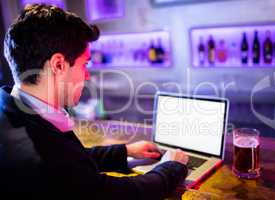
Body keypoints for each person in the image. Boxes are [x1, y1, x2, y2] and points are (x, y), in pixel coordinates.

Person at [0, 4, 188, 199]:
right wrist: (171, 168)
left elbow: (72, 161)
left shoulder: (11, 111)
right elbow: (118, 194)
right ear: (58, 65)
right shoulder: (42, 157)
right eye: (84, 64)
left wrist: (124, 151)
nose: (87, 75)